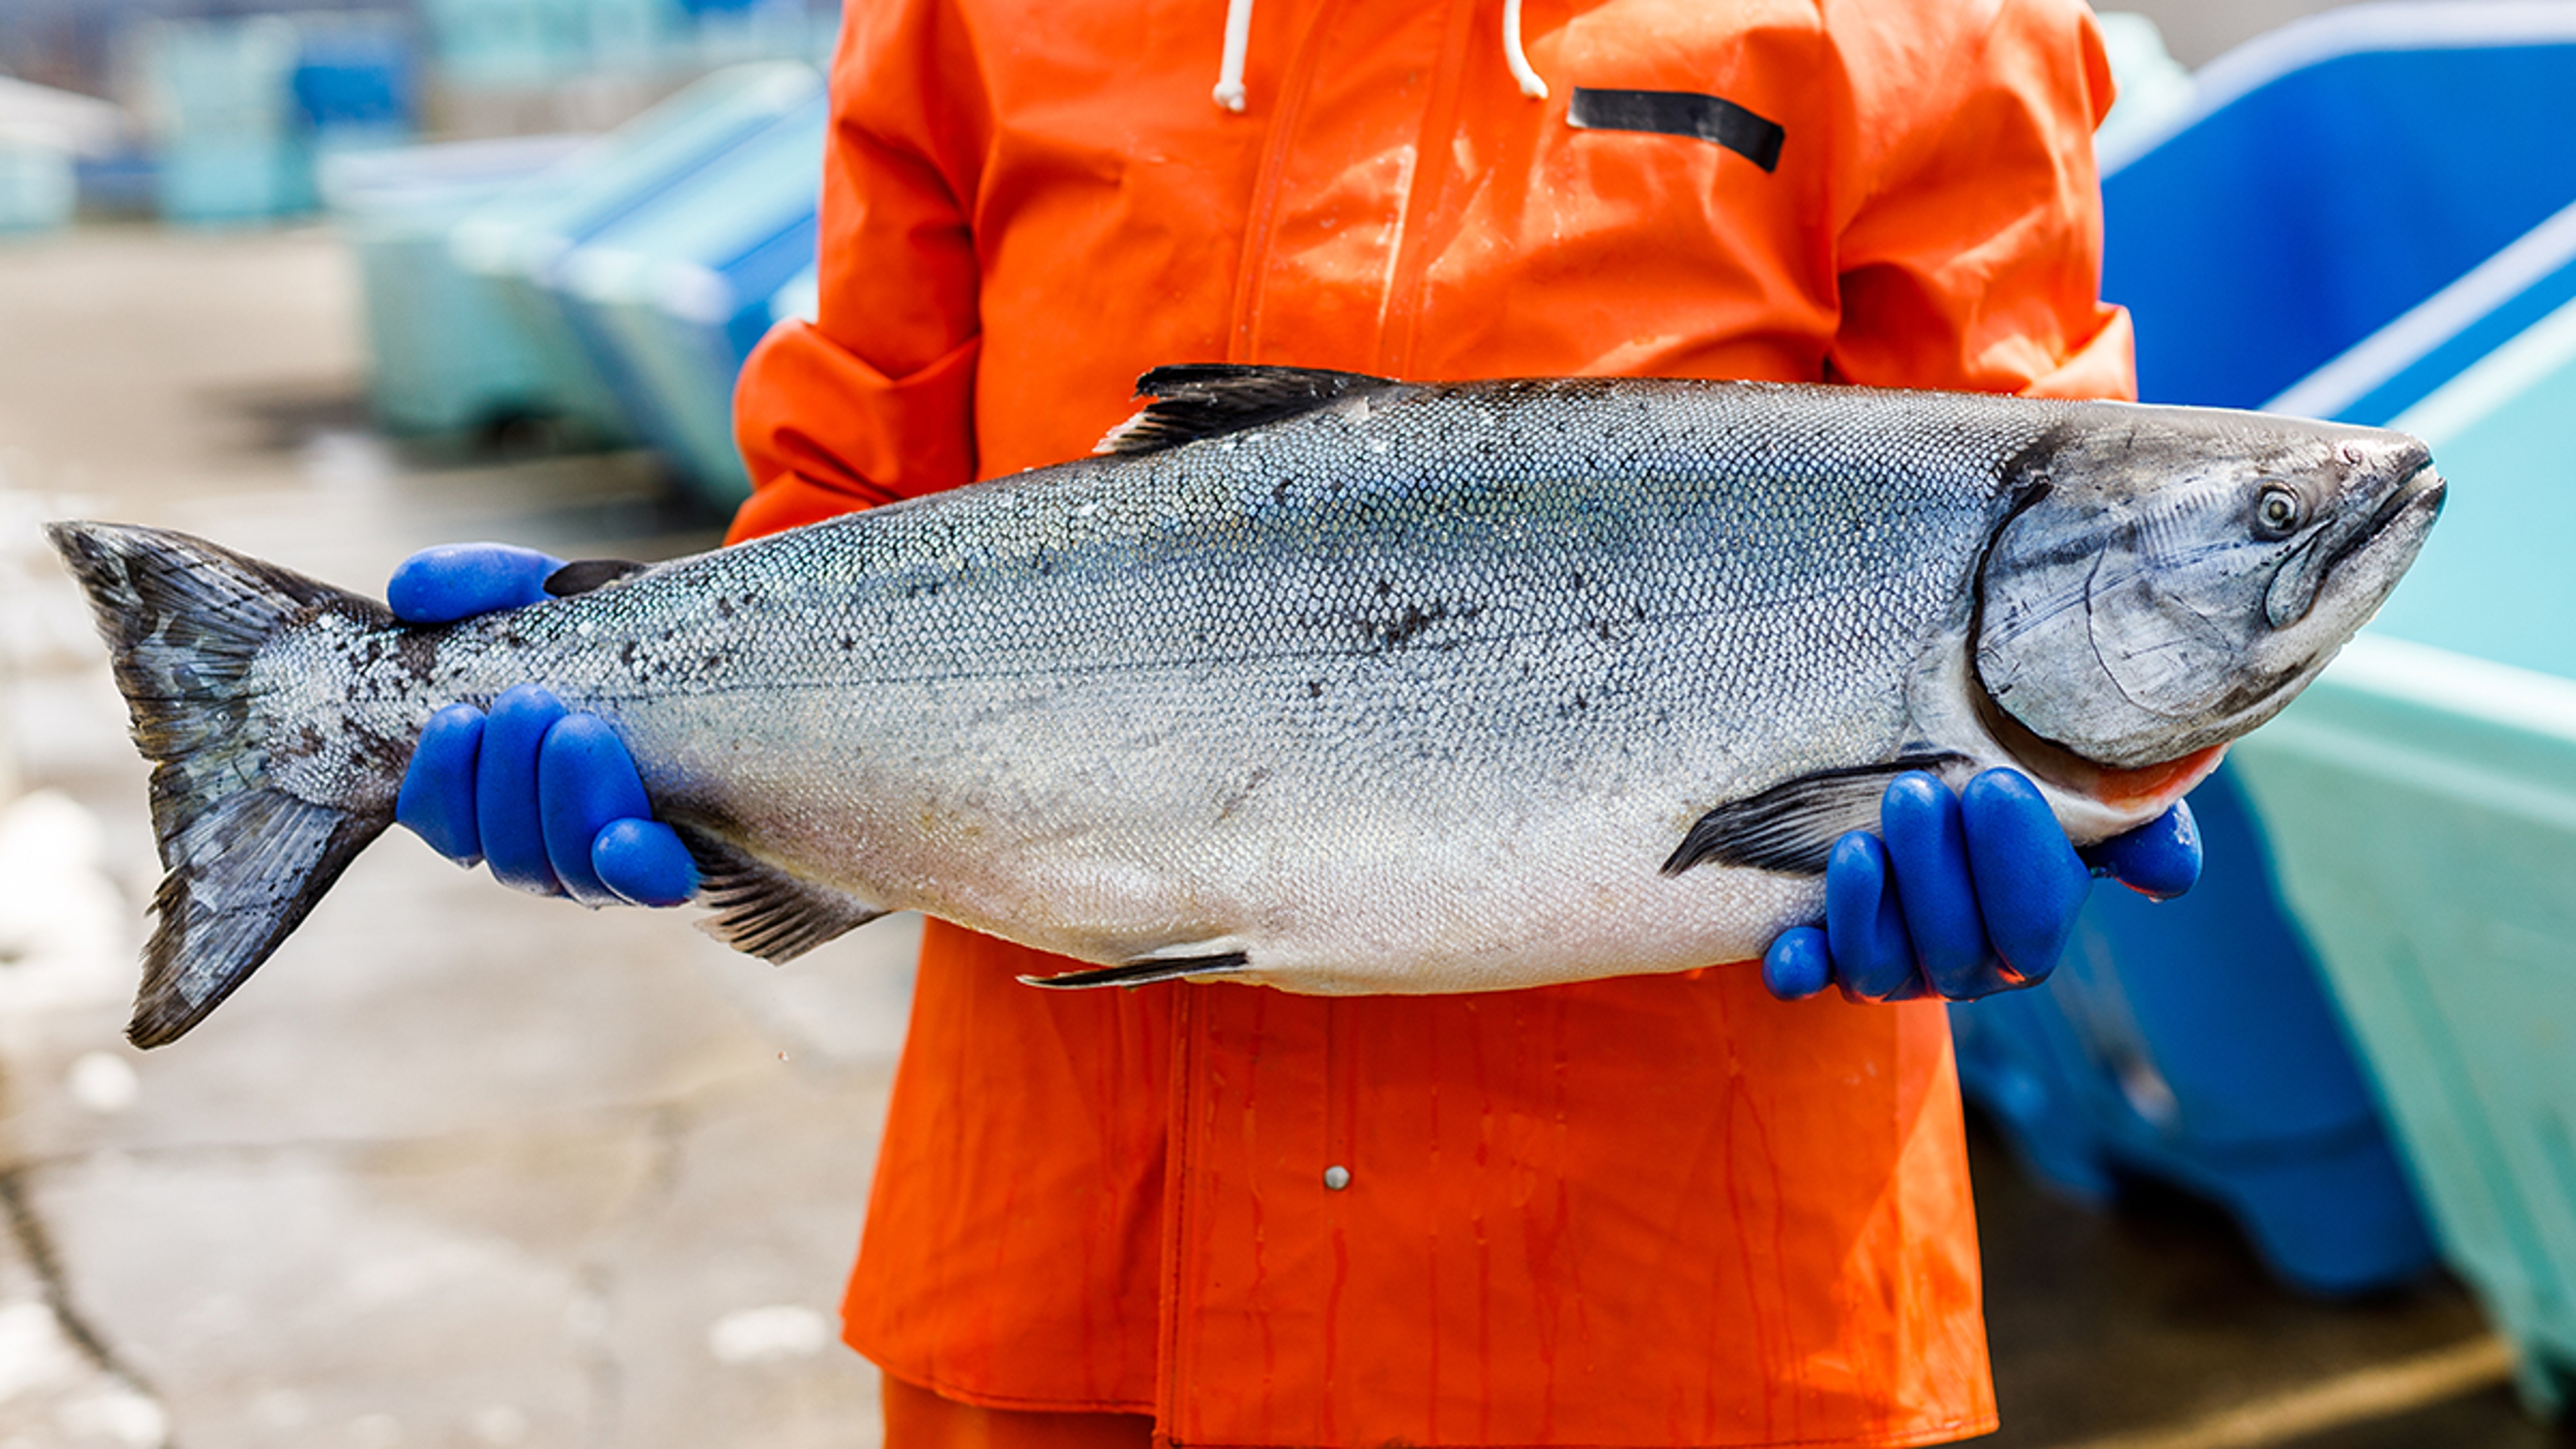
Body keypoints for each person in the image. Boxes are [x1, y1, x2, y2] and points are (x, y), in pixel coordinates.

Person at [391, 2, 2202, 1444]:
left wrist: (2059, 800)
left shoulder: (1919, 18)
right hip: (1073, 1290)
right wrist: (639, 714)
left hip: (1676, 1316)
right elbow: (848, 523)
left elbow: (2047, 543)